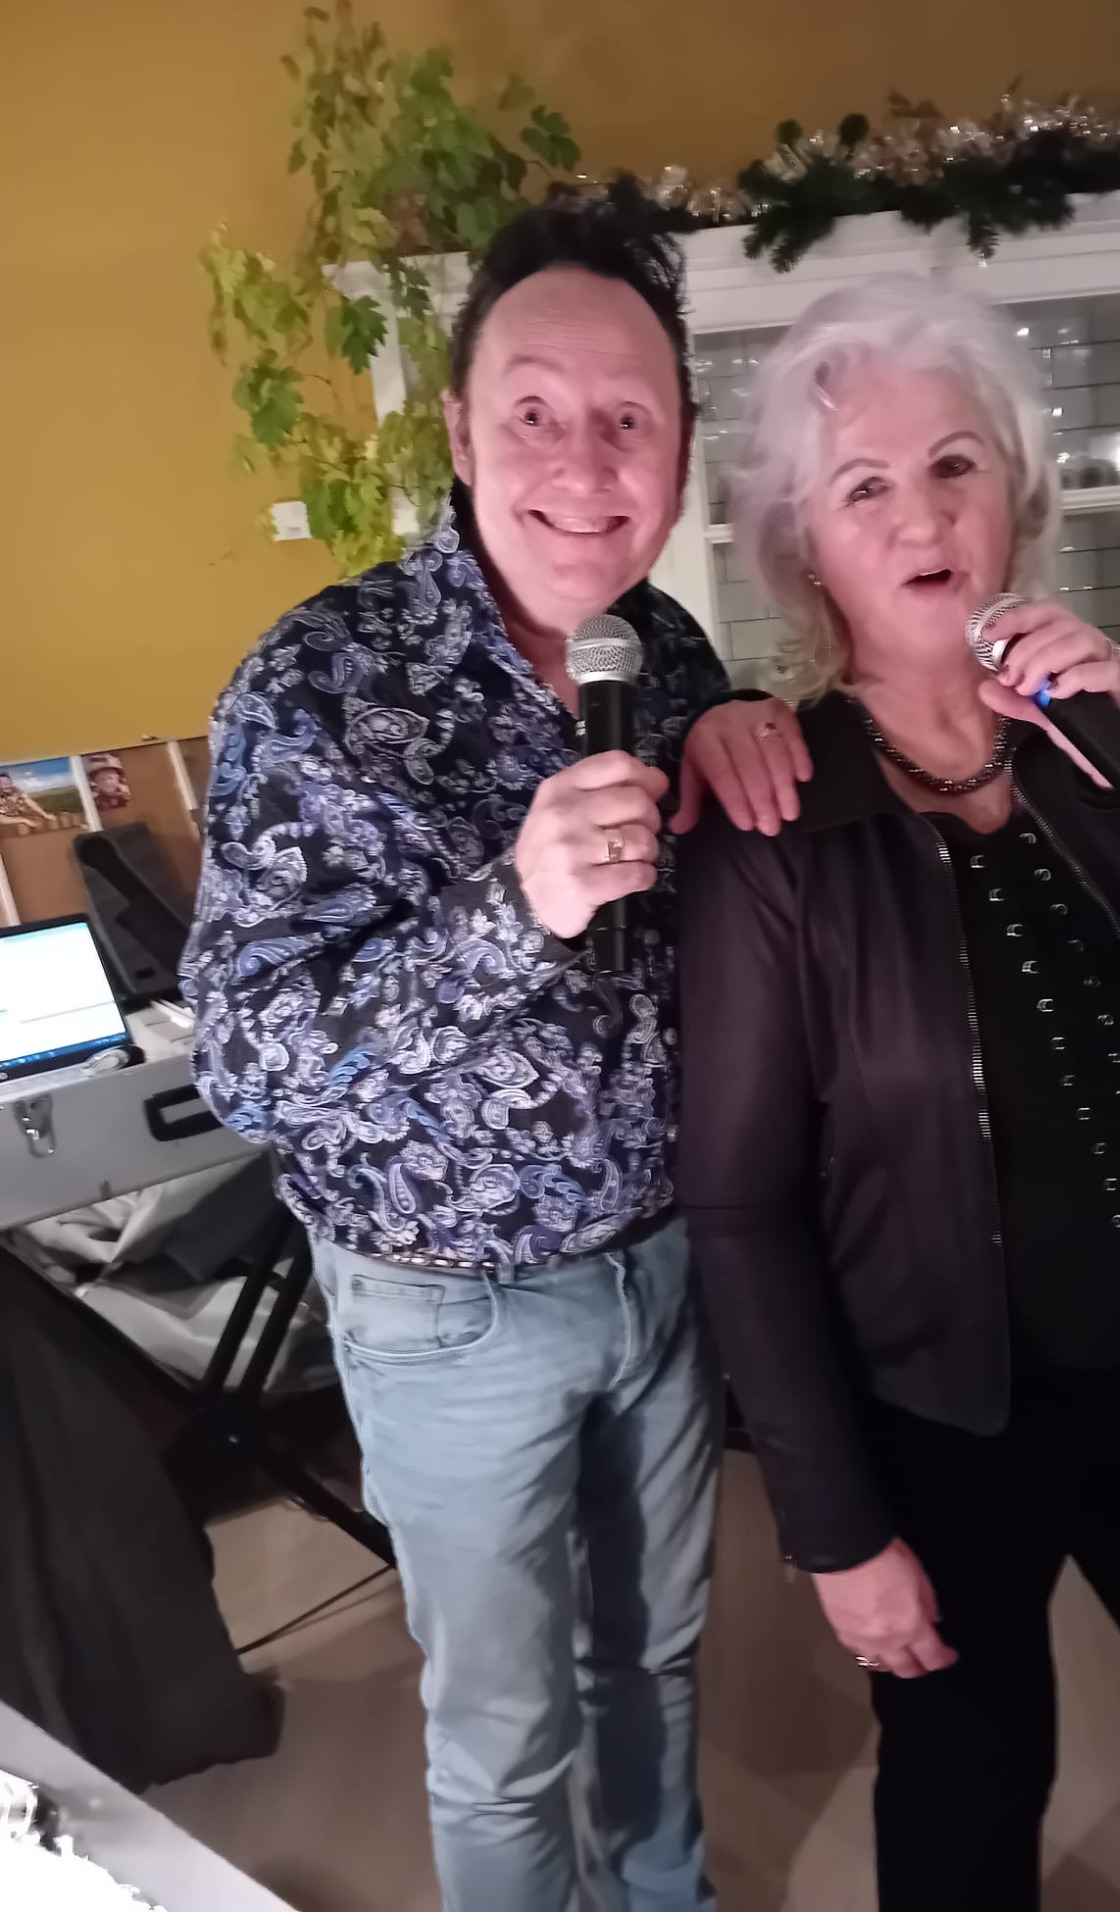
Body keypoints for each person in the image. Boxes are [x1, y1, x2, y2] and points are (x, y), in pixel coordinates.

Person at [676, 278, 1120, 1912]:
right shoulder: (777, 819)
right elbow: (740, 1206)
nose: (923, 516)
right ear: (807, 551)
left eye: (955, 466)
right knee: (975, 1777)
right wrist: (835, 1525)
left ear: (1017, 496)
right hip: (940, 1407)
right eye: (865, 487)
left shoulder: (1095, 729)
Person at [181, 202, 809, 1912]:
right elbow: (243, 1058)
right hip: (449, 1312)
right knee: (506, 1734)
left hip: (664, 1271)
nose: (583, 467)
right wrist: (511, 908)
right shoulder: (317, 685)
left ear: (678, 451)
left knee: (656, 1662)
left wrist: (740, 724)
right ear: (460, 431)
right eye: (534, 412)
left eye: (629, 420)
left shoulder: (662, 655)